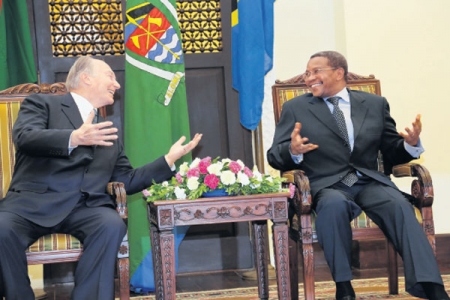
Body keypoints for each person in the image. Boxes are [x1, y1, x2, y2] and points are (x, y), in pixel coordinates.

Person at [0, 56, 202, 300]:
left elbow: (126, 180)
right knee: (2, 228)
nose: (116, 84)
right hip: (32, 204)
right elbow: (25, 137)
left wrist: (167, 161)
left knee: (111, 223)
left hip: (85, 208)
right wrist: (73, 138)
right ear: (85, 77)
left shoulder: (107, 132)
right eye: (110, 76)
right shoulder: (42, 104)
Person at [267, 50, 449, 300]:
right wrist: (293, 150)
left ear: (339, 73)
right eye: (307, 73)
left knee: (398, 205)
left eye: (316, 71)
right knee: (333, 206)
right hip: (327, 185)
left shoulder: (374, 104)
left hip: (367, 180)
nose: (309, 79)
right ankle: (344, 287)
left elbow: (391, 150)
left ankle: (431, 286)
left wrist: (409, 145)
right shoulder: (296, 108)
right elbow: (274, 155)